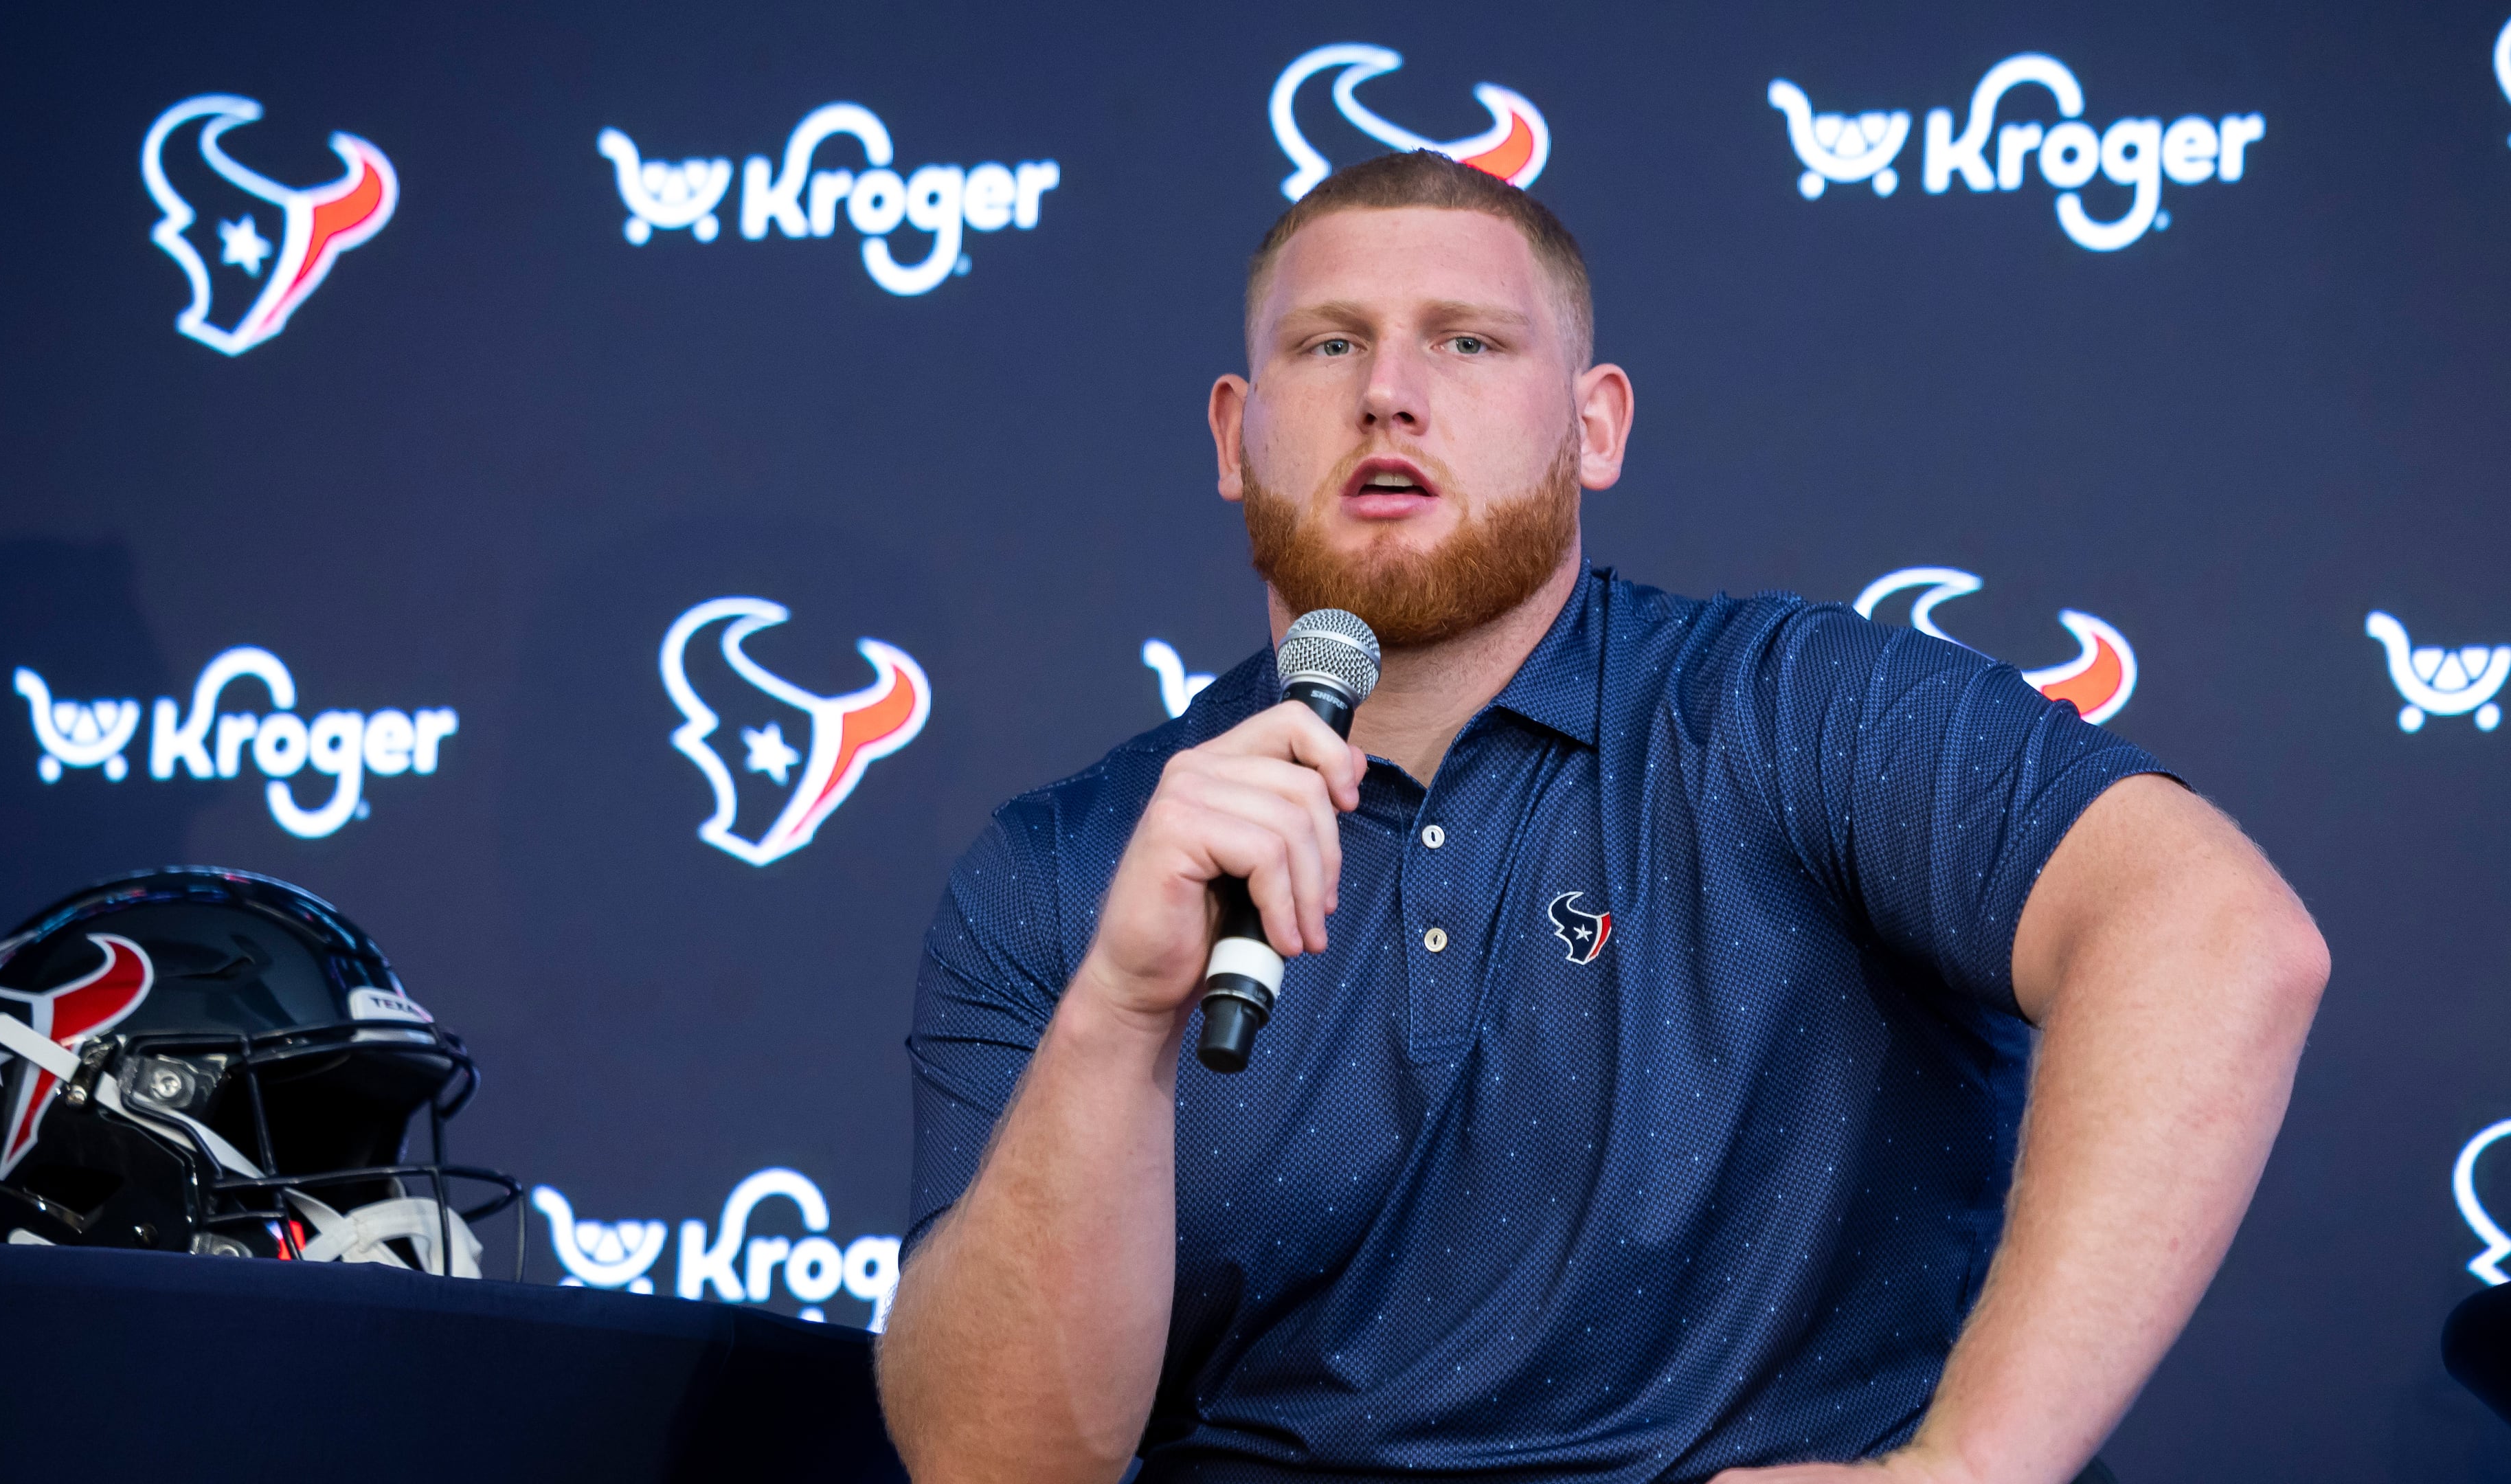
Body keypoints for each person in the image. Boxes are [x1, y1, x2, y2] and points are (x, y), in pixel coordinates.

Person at [874, 150, 2328, 1484]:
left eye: (1468, 341)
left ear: (1595, 424)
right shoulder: (1064, 869)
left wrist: (1961, 1474)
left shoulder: (1794, 710)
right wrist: (1122, 1015)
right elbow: (995, 1467)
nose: (1390, 392)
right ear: (1234, 434)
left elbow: (2215, 936)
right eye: (1329, 345)